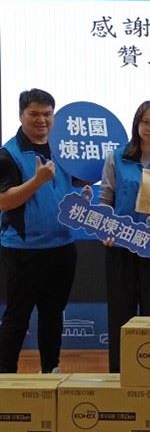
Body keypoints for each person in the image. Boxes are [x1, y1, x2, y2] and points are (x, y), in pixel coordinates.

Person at [0, 89, 78, 373]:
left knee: (53, 315)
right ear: (21, 115)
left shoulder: (64, 148)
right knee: (17, 318)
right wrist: (37, 180)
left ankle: (50, 372)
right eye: (34, 114)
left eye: (47, 114)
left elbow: (71, 185)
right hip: (24, 250)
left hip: (63, 247)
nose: (41, 120)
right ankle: (5, 378)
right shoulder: (8, 154)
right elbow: (4, 201)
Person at [99, 101, 150, 372]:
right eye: (146, 122)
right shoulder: (117, 157)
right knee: (120, 312)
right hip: (121, 244)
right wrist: (105, 230)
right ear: (137, 124)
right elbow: (105, 198)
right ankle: (119, 372)